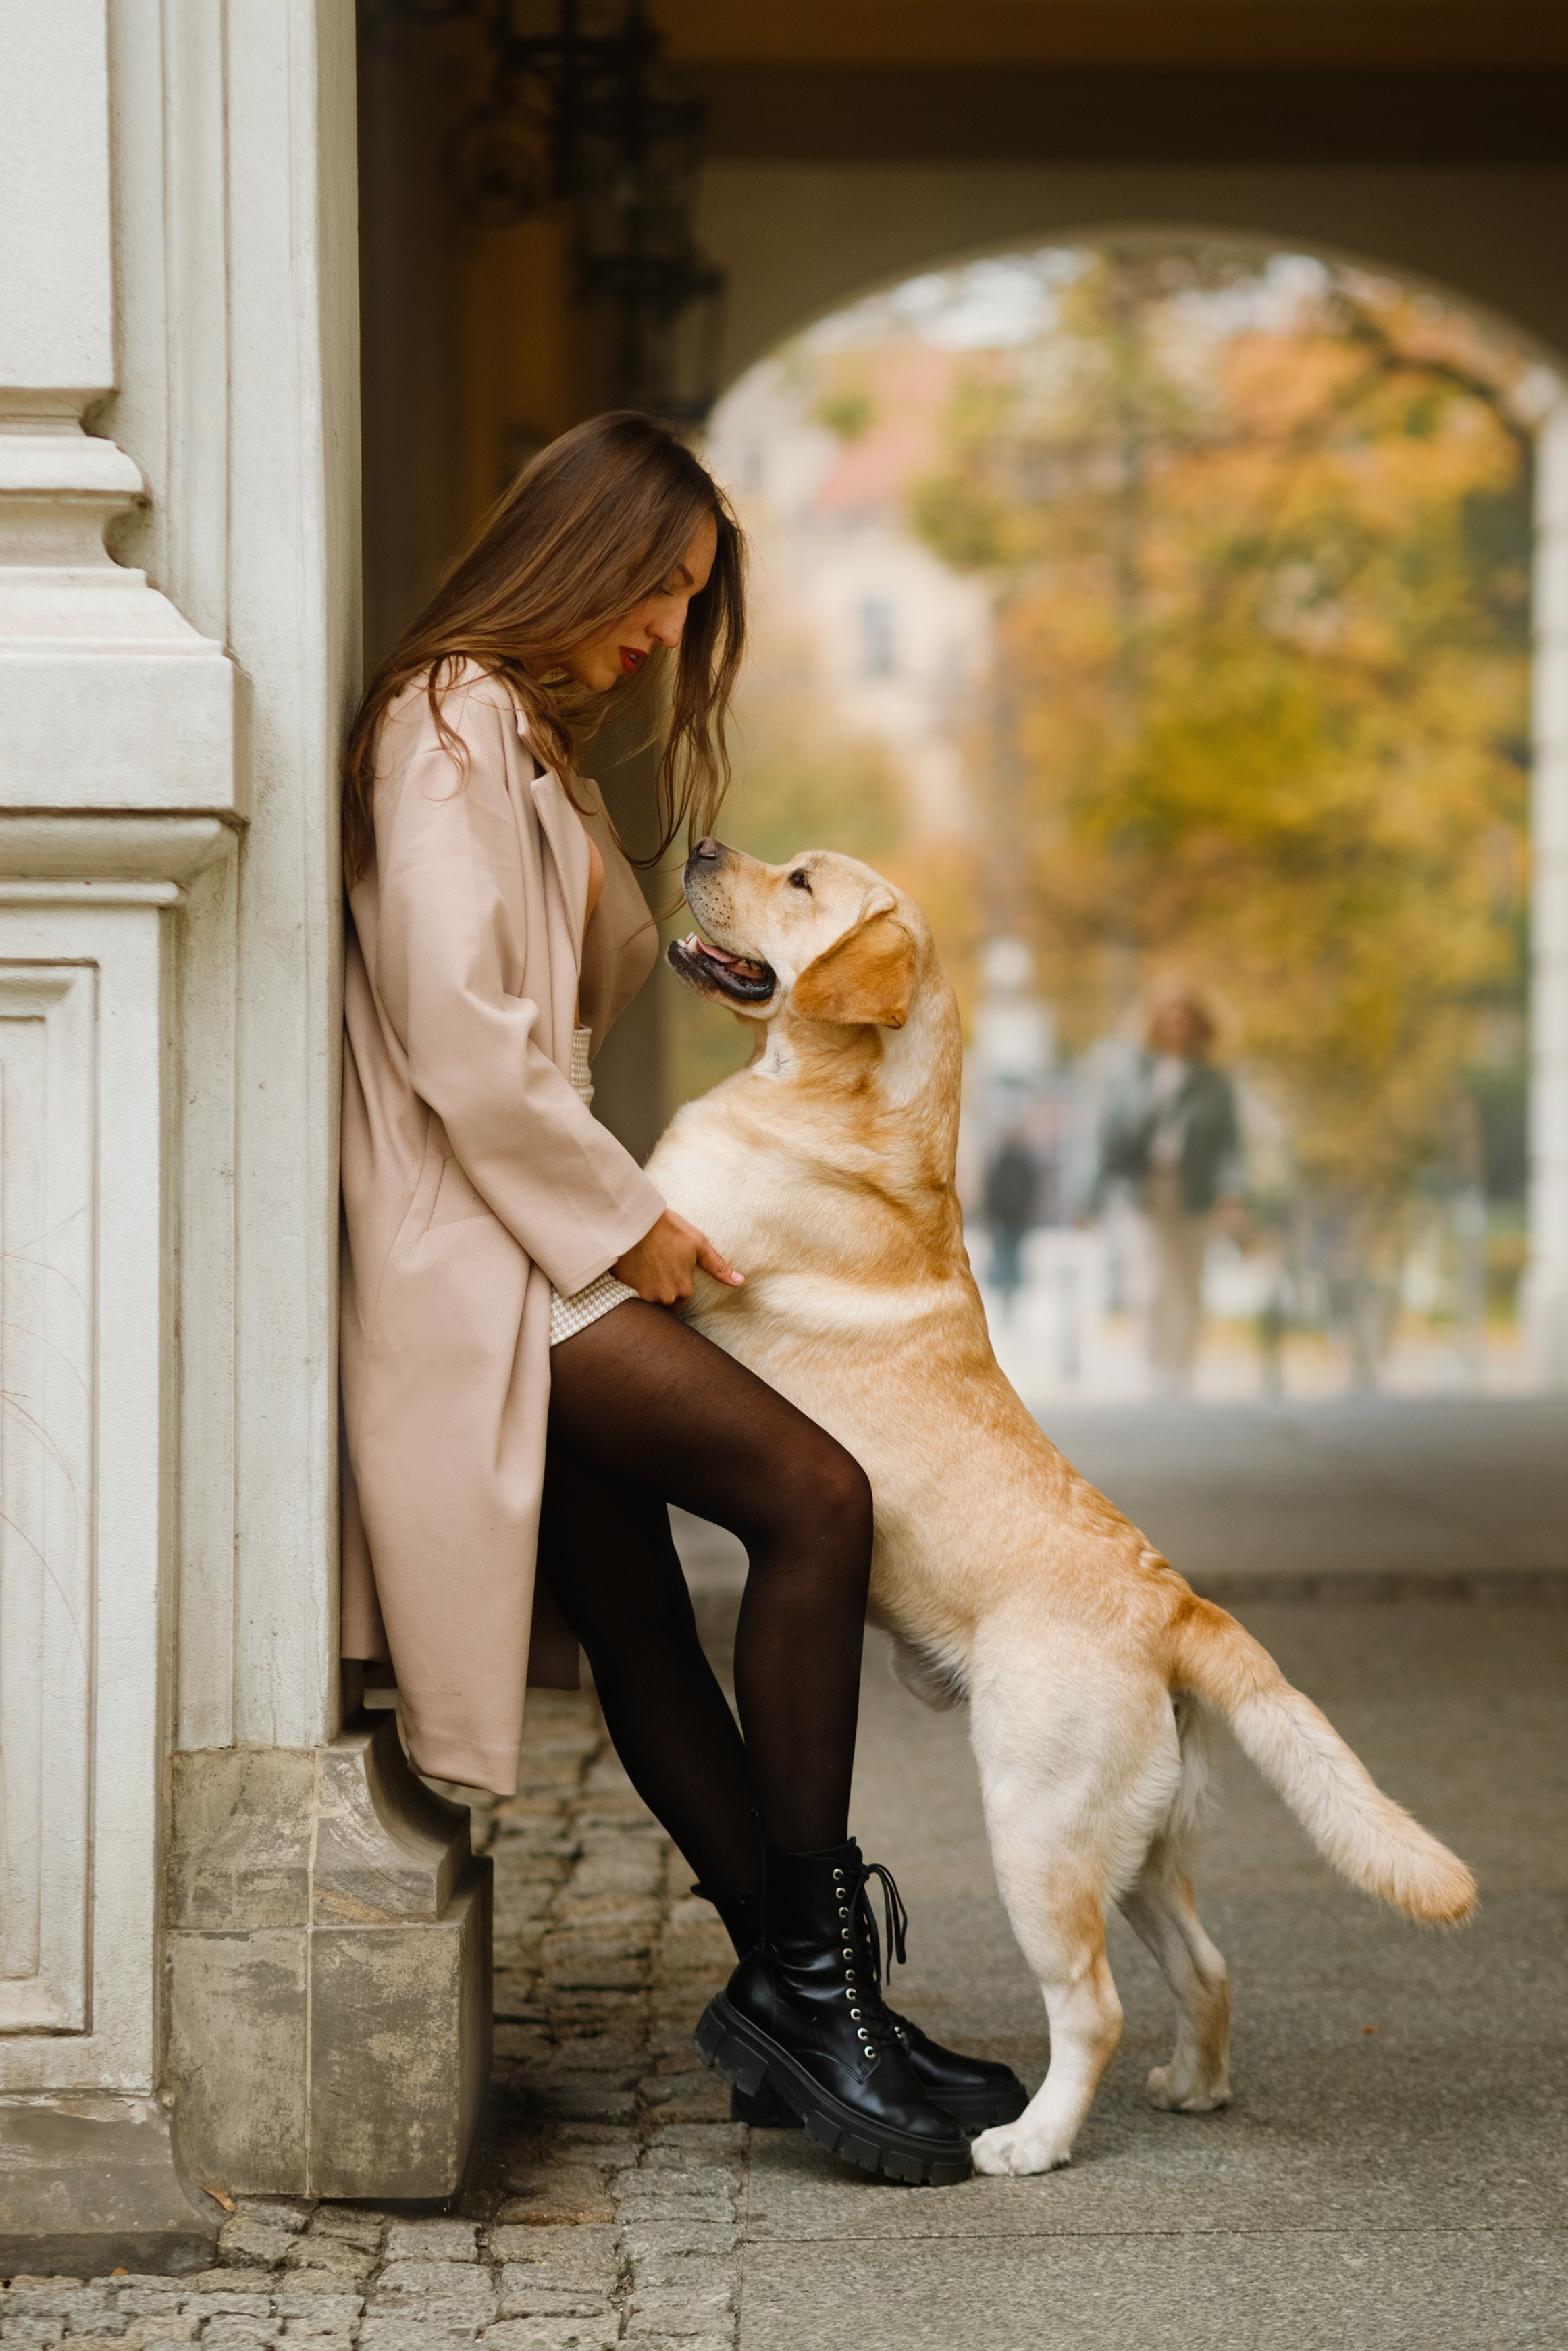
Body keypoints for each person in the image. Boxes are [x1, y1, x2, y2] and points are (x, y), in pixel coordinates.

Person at [336, 413, 1021, 2181]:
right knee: (815, 1499)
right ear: (576, 552)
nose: (664, 629)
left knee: (636, 1615)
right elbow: (457, 1035)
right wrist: (623, 1220)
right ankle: (813, 1987)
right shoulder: (445, 725)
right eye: (656, 587)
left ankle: (805, 1999)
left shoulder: (518, 739)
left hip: (518, 1227)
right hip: (490, 1248)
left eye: (687, 600)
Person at [1096, 979, 1244, 1393]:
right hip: (1142, 1191)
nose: (1176, 1024)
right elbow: (1107, 1136)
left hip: (1195, 1191)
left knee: (1187, 1283)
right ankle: (1155, 1370)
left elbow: (1230, 1145)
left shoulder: (1215, 1082)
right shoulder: (1132, 1074)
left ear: (1199, 1025)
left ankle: (1181, 1370)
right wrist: (1088, 1198)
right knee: (1148, 1284)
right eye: (1168, 1016)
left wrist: (1233, 1191)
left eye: (1185, 1017)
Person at [983, 1133, 1041, 1316]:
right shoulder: (1022, 1163)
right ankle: (1009, 1291)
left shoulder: (1002, 1163)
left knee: (1006, 1253)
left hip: (1006, 1217)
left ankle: (1008, 1291)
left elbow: (991, 1190)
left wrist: (990, 1215)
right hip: (1016, 1217)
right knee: (1011, 1253)